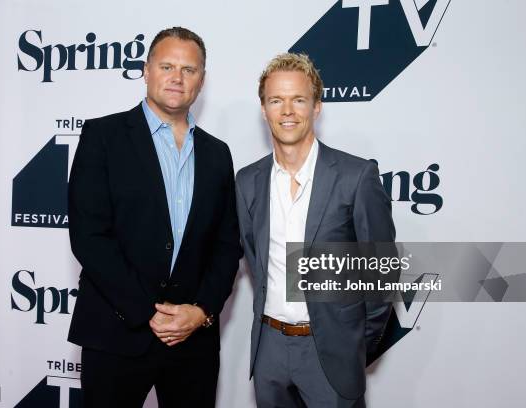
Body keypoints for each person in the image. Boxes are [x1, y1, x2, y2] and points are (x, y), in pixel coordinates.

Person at [67, 26, 242, 407]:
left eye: (189, 69)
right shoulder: (103, 136)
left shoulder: (218, 154)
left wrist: (200, 312)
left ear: (202, 80)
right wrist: (149, 312)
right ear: (146, 70)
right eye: (166, 66)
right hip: (116, 333)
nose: (177, 78)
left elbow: (228, 245)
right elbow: (89, 236)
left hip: (192, 342)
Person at [235, 53, 396, 408]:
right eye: (276, 100)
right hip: (269, 350)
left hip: (332, 351)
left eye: (299, 99)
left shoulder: (356, 177)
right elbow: (252, 255)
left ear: (317, 107)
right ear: (264, 109)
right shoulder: (247, 181)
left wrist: (355, 342)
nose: (287, 110)